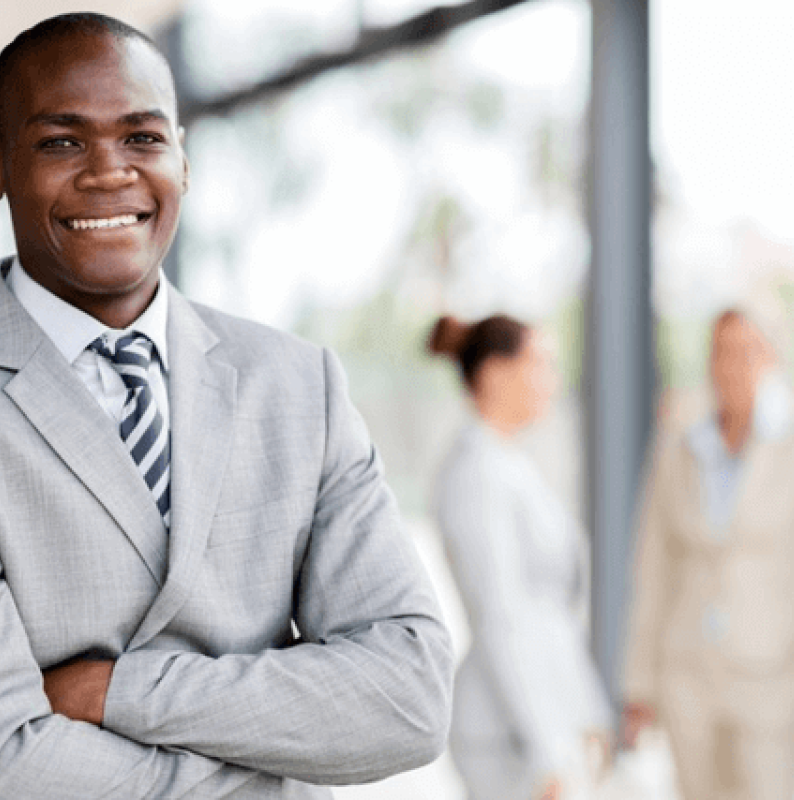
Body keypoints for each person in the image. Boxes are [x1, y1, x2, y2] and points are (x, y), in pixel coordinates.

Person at [0, 13, 453, 799]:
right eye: (61, 142)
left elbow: (409, 695)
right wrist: (268, 764)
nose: (110, 171)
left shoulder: (298, 384)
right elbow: (10, 759)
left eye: (142, 137)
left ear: (183, 156)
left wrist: (116, 693)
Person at [429, 314, 612, 800]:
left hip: (539, 719)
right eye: (541, 363)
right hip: (506, 731)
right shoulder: (474, 473)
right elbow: (501, 615)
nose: (553, 379)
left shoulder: (510, 462)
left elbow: (552, 617)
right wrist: (548, 751)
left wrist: (586, 709)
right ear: (494, 374)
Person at [623, 306, 794, 800]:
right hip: (687, 673)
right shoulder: (680, 444)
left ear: (773, 360)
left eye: (749, 352)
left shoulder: (792, 447)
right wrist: (640, 684)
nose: (733, 366)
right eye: (721, 352)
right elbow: (653, 567)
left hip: (770, 677)